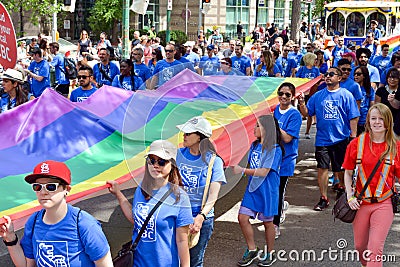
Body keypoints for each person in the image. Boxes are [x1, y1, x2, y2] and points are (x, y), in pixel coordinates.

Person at [0, 160, 113, 266]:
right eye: (37, 187)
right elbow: (26, 264)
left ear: (66, 189)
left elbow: (105, 264)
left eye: (50, 186)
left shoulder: (84, 224)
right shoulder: (33, 222)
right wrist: (10, 238)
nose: (43, 192)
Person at [107, 140, 193, 267]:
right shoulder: (141, 189)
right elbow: (136, 219)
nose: (155, 165)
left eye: (161, 161)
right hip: (137, 263)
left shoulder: (180, 198)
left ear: (173, 164)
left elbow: (182, 241)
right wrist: (118, 194)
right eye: (151, 160)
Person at [343, 103, 400, 267]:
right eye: (373, 118)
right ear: (368, 121)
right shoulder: (356, 144)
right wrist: (349, 195)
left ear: (388, 122)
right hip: (361, 203)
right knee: (360, 247)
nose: (377, 122)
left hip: (384, 203)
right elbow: (347, 172)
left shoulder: (395, 147)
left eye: (381, 119)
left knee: (375, 249)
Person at [298, 68, 360, 210]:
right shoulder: (318, 95)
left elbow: (353, 117)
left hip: (341, 138)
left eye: (331, 74)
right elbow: (307, 112)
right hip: (322, 139)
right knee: (322, 168)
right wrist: (301, 103)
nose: (328, 76)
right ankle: (323, 198)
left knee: (341, 168)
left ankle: (344, 190)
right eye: (326, 74)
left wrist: (353, 138)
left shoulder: (346, 95)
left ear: (339, 78)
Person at [233, 115, 283, 267]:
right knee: (242, 217)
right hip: (253, 189)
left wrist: (242, 170)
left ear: (267, 129)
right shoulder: (254, 146)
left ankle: (270, 252)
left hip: (267, 191)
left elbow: (263, 171)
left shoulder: (275, 149)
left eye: (257, 126)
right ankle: (252, 249)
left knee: (268, 223)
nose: (254, 129)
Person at [175, 116, 226, 267]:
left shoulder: (214, 161)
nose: (184, 135)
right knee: (175, 259)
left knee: (195, 261)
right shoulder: (177, 154)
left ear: (199, 137)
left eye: (188, 133)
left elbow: (213, 196)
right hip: (178, 215)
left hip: (201, 219)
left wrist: (201, 217)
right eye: (184, 132)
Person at [272, 83, 302, 239]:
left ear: (293, 96)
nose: (283, 97)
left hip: (286, 159)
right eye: (281, 93)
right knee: (271, 190)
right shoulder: (273, 110)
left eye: (287, 94)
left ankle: (275, 224)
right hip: (272, 157)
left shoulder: (294, 115)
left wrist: (274, 125)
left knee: (278, 191)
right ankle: (280, 208)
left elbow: (288, 138)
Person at [354, 66, 375, 135]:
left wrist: (369, 120)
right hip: (353, 120)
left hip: (364, 121)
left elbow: (372, 106)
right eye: (355, 74)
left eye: (359, 74)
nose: (356, 76)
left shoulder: (369, 89)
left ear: (364, 76)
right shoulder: (352, 88)